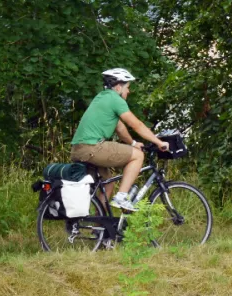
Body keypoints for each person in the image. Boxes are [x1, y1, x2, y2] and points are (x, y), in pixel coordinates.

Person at [68, 68, 170, 212]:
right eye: (127, 87)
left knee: (108, 185)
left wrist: (133, 143)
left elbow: (120, 128)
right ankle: (122, 197)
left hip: (79, 150)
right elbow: (137, 125)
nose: (128, 91)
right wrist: (159, 142)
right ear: (118, 87)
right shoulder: (116, 99)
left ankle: (100, 230)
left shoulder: (102, 97)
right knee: (138, 155)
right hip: (93, 148)